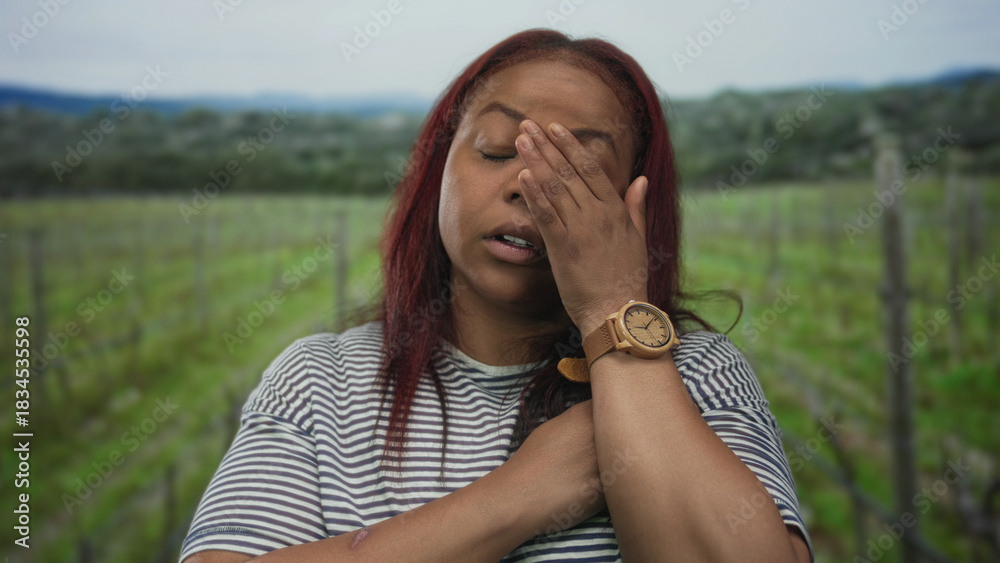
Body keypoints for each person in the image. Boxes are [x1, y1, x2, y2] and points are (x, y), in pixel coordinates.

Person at [179, 29, 813, 562]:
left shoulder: (694, 376)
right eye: (496, 150)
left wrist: (615, 320)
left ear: (633, 207)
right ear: (438, 168)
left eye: (575, 172)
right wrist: (521, 495)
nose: (528, 186)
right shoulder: (320, 381)